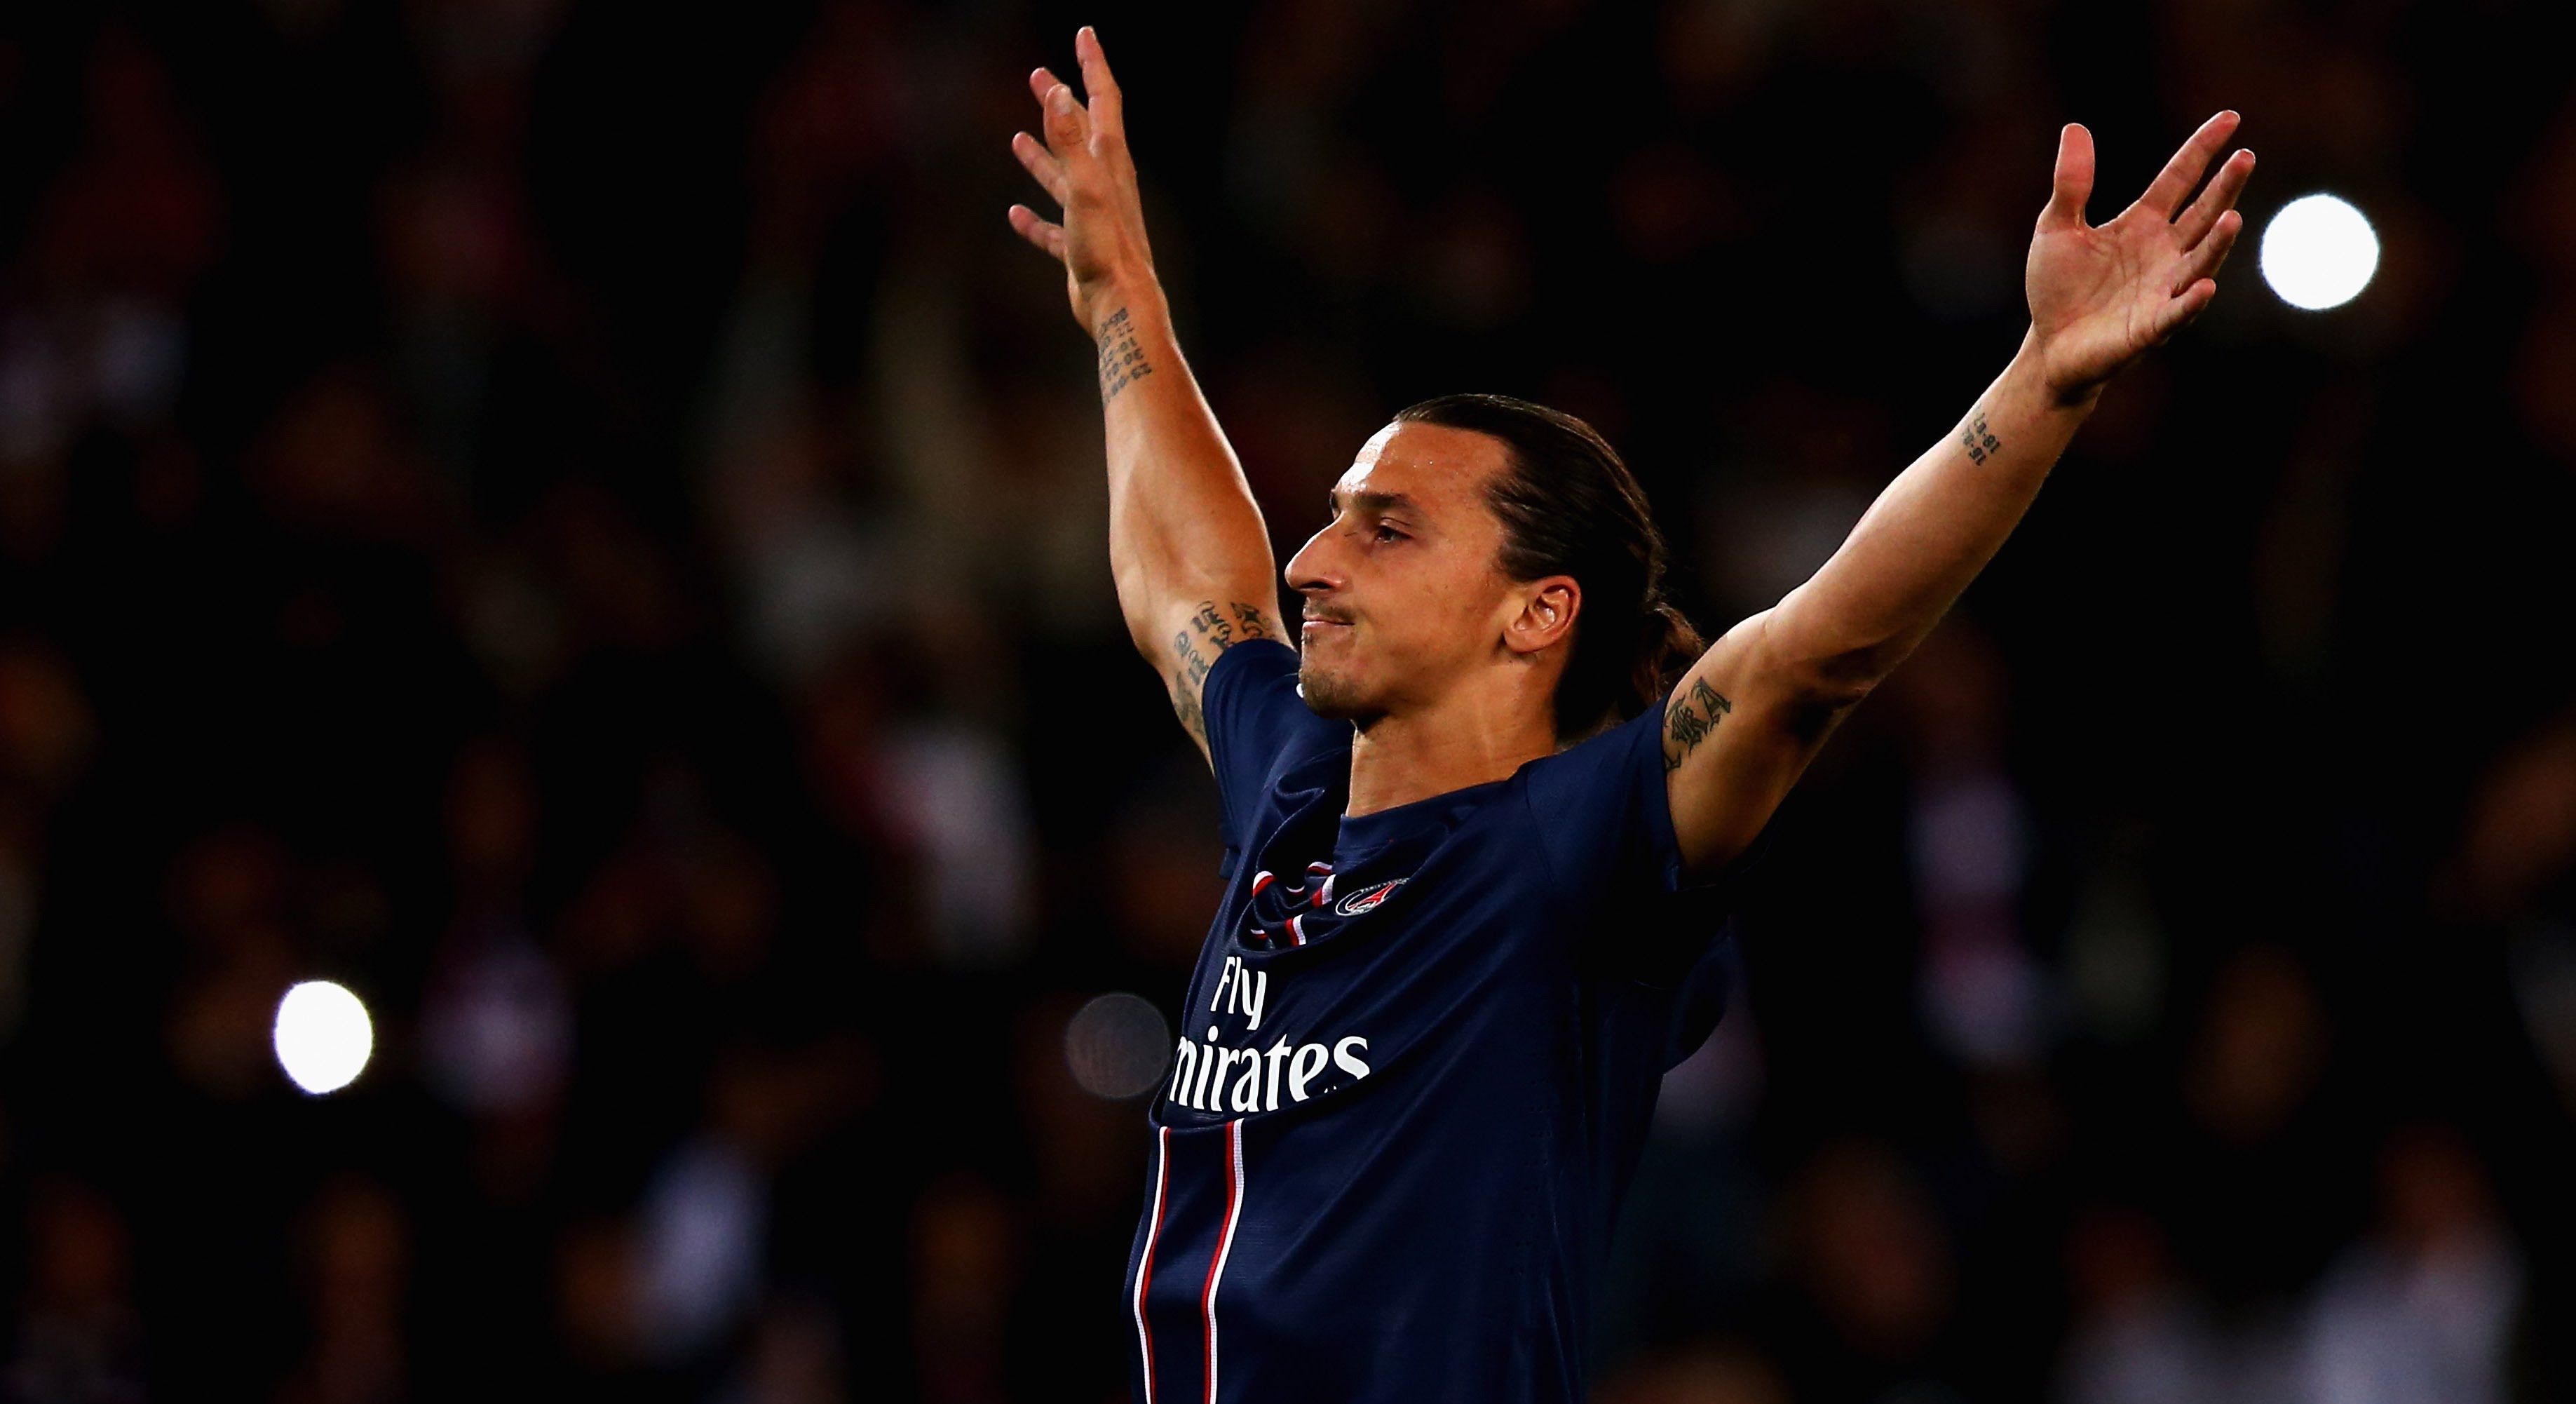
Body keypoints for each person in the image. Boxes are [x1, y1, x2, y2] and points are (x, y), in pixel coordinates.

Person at [1005, 26, 2253, 1404]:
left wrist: (2045, 379)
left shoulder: (1569, 850)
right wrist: (1119, 296)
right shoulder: (1294, 787)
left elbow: (1811, 656)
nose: (1311, 561)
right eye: (1334, 519)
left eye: (1386, 528)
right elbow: (1192, 582)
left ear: (1536, 611)